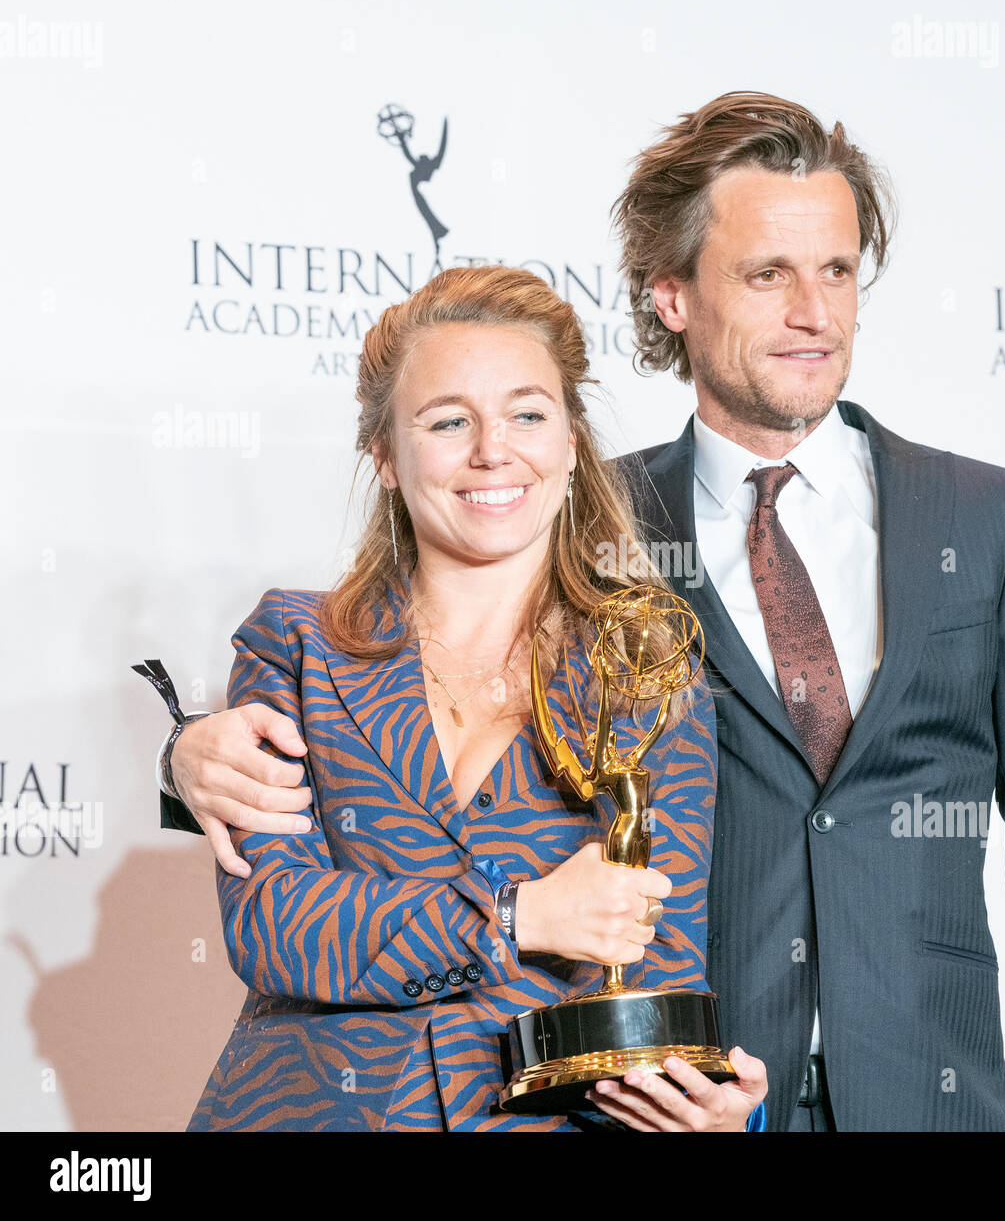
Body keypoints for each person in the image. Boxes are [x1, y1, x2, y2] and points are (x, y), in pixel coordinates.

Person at [159, 93, 1005, 1132]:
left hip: (916, 1100)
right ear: (671, 295)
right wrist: (182, 759)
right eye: (767, 274)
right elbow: (347, 728)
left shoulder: (984, 518)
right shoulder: (580, 523)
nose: (813, 312)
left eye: (836, 271)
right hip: (659, 1097)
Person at [156, 264, 767, 1131]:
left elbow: (655, 976)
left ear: (569, 441)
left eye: (527, 413)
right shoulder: (296, 645)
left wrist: (696, 1110)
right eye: (449, 421)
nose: (493, 449)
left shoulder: (647, 677)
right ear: (387, 458)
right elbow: (274, 923)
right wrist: (520, 915)